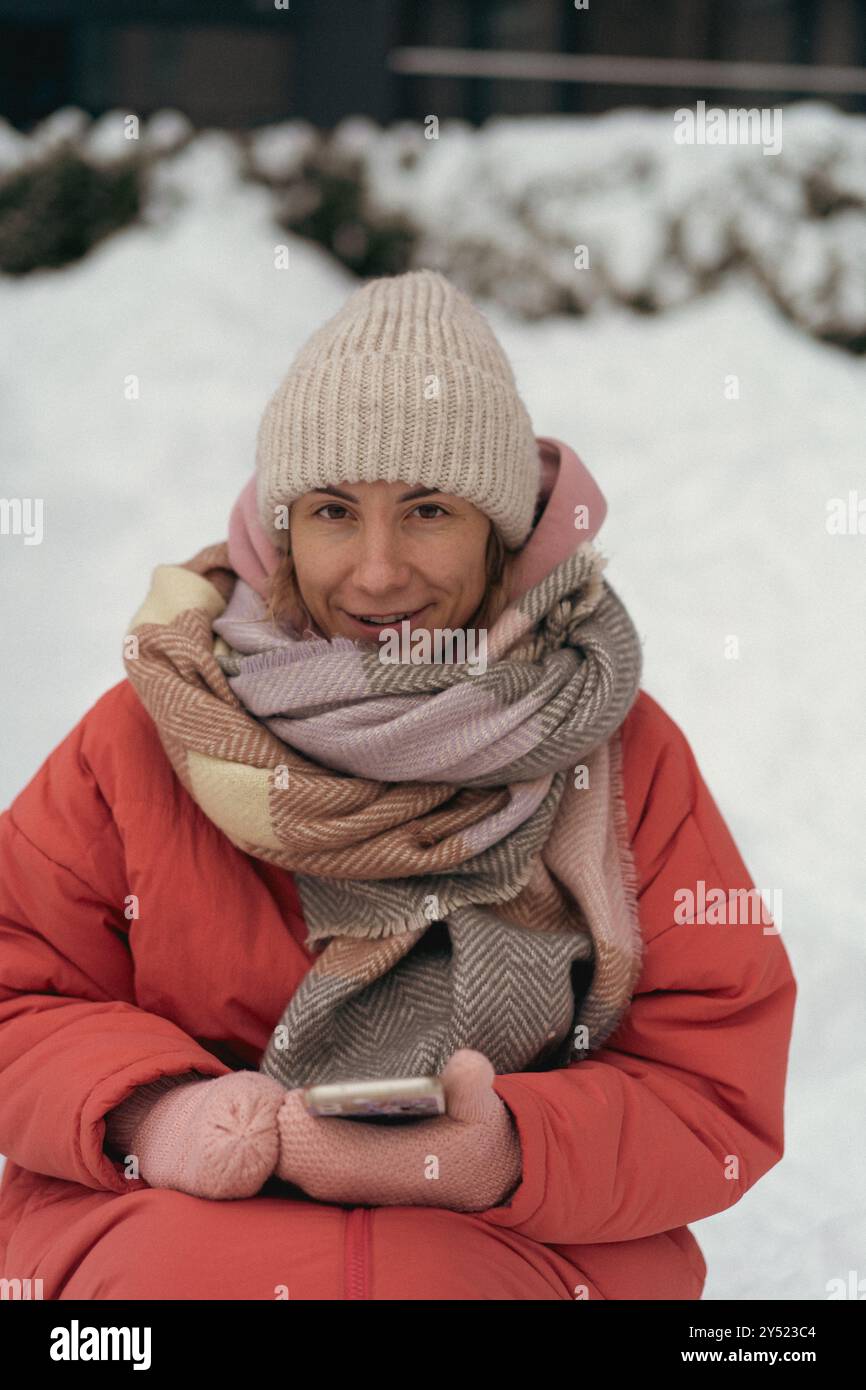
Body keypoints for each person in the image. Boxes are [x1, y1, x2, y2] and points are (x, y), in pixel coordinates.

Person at [0, 269, 796, 1300]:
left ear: (500, 533)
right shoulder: (152, 731)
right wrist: (154, 1113)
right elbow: (18, 991)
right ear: (284, 532)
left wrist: (510, 1149)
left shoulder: (615, 750)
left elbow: (711, 1085)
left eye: (425, 510)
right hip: (168, 1245)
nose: (376, 573)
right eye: (334, 511)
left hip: (509, 1253)